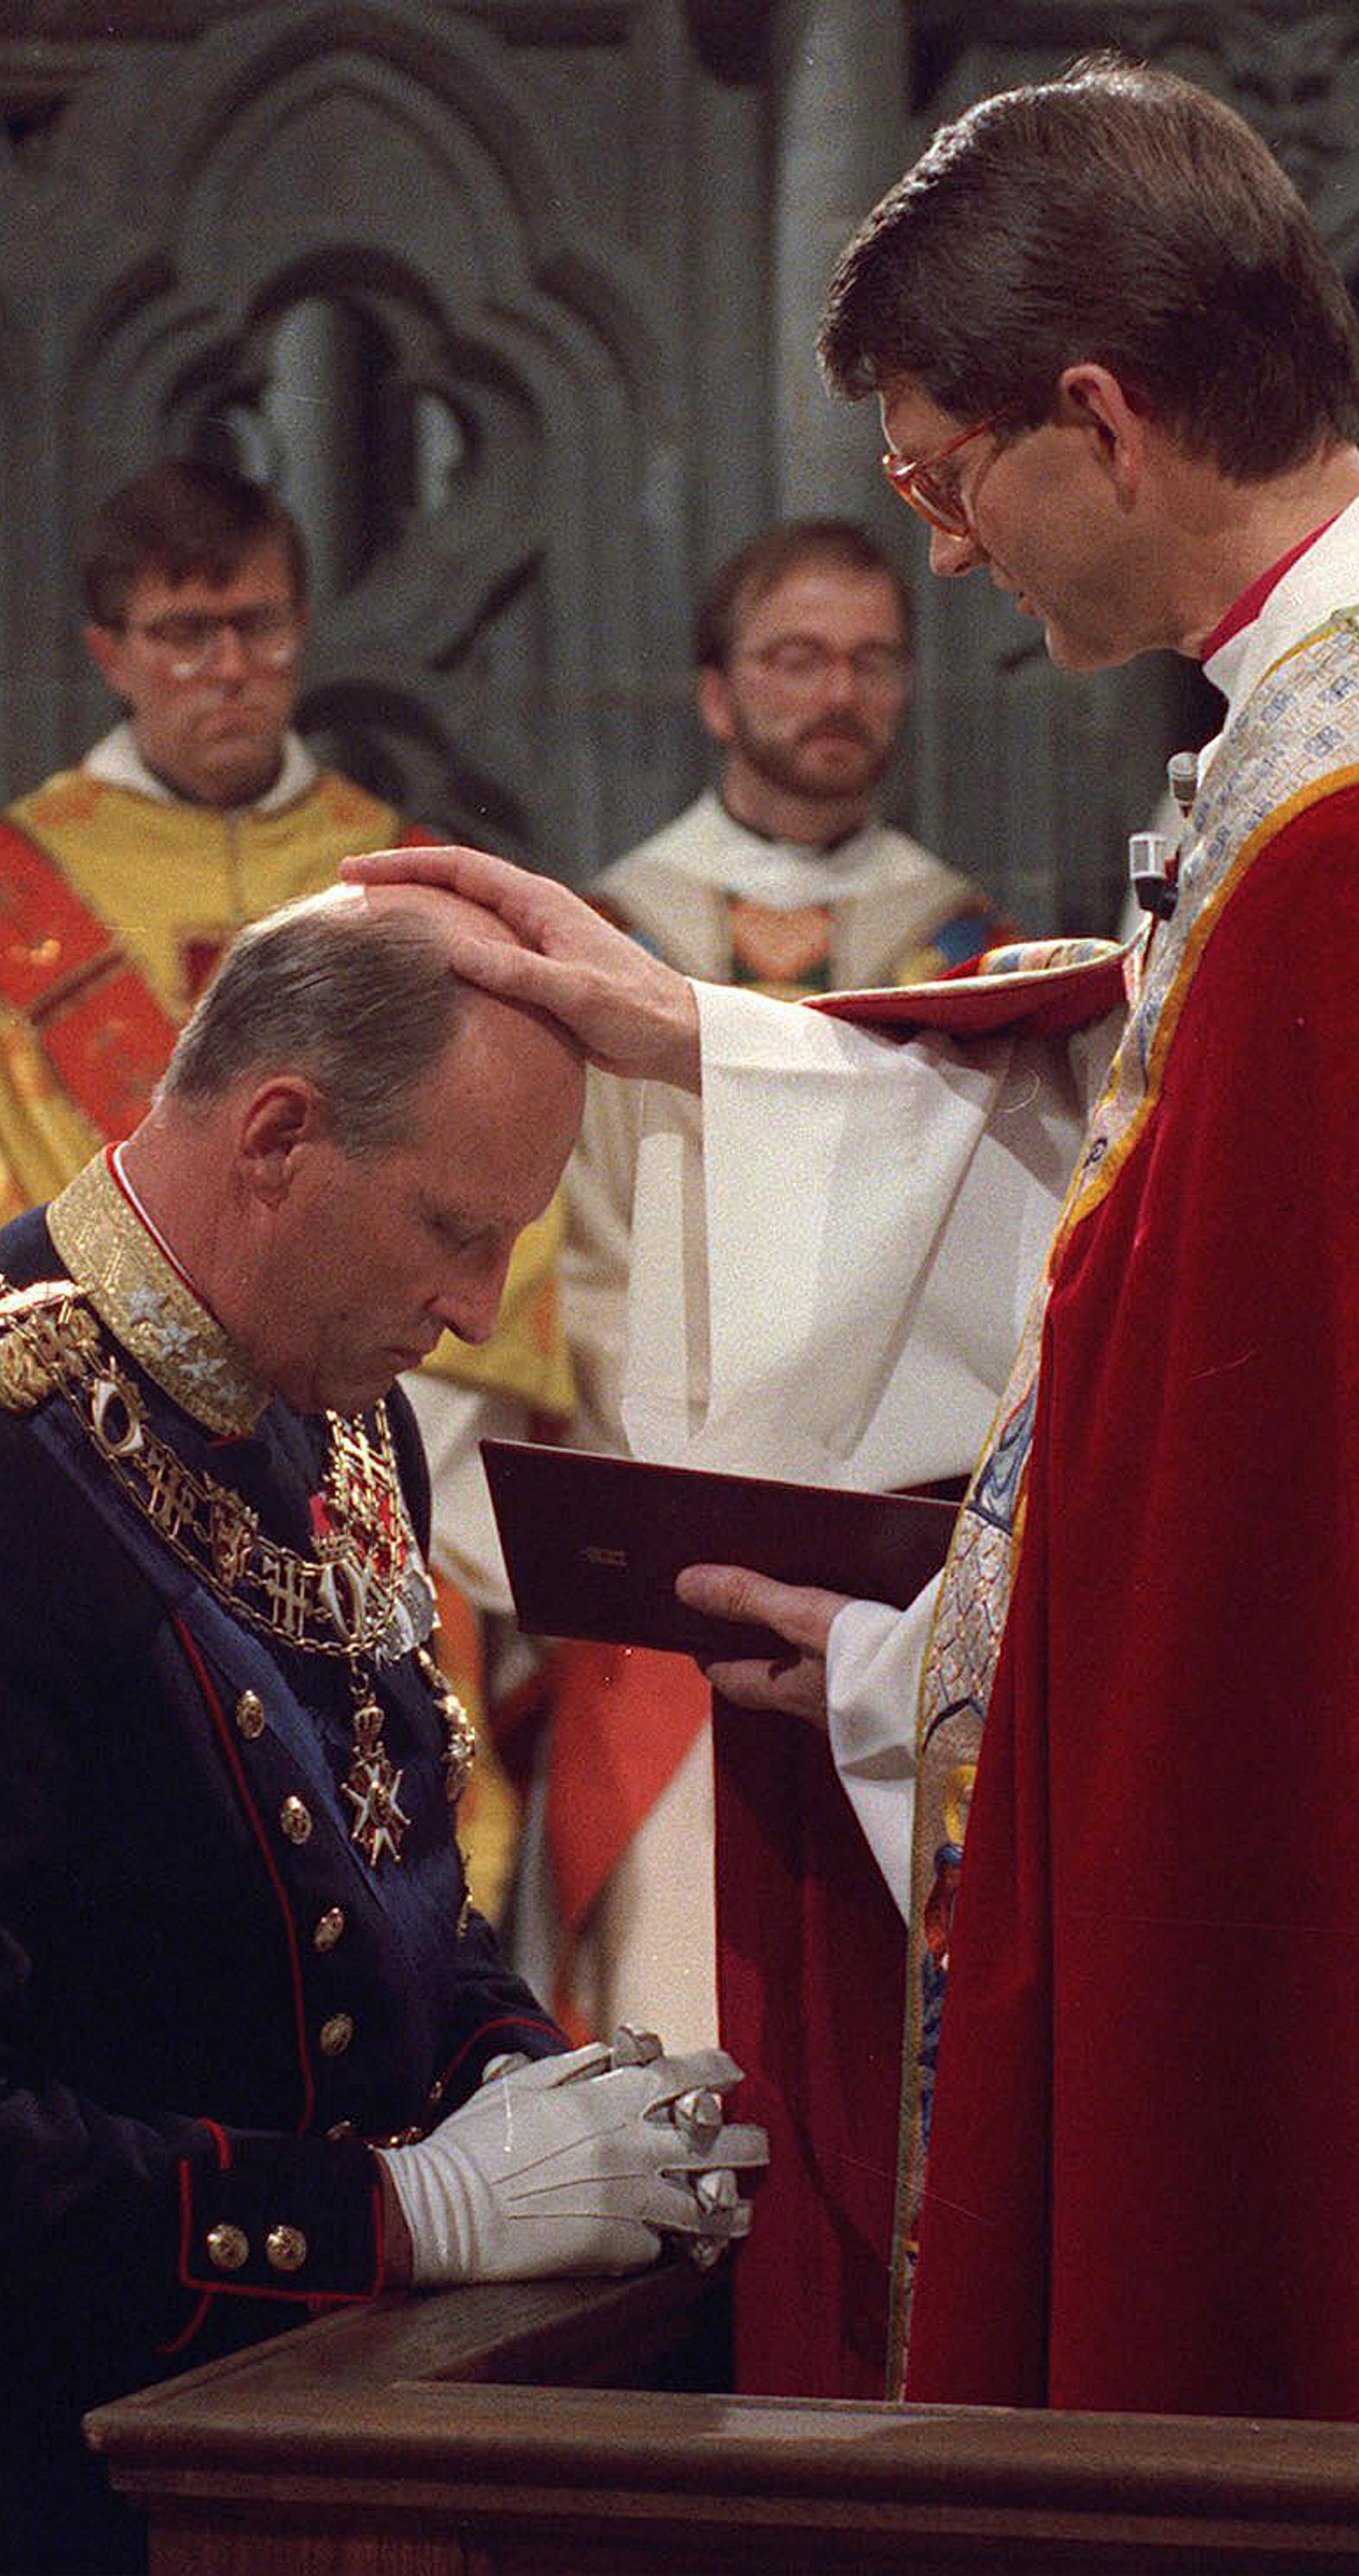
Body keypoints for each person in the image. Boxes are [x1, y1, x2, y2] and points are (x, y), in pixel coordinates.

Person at [354, 56, 1359, 2576]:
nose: (956, 554)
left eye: (946, 478)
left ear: (1095, 419)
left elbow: (1249, 1606)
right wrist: (707, 1034)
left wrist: (883, 1681)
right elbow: (1172, 1088)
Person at [0, 885, 764, 2576]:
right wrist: (410, 2209)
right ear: (280, 1135)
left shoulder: (341, 1412)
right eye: (455, 1227)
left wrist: (561, 2103)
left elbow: (395, 1918)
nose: (479, 1300)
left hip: (252, 2448)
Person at [0, 458, 570, 1908]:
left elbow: (503, 1194)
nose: (227, 669)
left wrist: (368, 1409)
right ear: (110, 652)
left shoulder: (404, 882)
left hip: (367, 1456)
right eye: (184, 634)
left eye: (258, 626)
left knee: (400, 1863)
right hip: (97, 1479)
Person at [542, 517, 1013, 2052]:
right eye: (798, 658)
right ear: (716, 692)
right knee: (678, 2029)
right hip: (668, 1554)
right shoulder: (606, 949)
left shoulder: (978, 958)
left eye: (876, 660)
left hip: (907, 1579)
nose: (841, 694)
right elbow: (561, 1260)